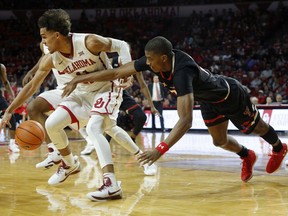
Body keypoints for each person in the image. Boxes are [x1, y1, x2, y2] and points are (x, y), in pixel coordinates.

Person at [63, 36, 287, 183]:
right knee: (219, 141)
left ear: (163, 58)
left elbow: (185, 121)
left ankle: (279, 147)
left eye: (151, 60)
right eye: (147, 59)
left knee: (257, 127)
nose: (147, 64)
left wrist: (159, 150)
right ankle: (247, 155)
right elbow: (117, 72)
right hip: (209, 102)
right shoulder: (157, 61)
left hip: (231, 96)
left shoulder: (182, 71)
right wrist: (80, 80)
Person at [0, 9, 156, 202]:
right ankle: (69, 163)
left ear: (56, 35)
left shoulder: (89, 42)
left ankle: (111, 183)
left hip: (106, 88)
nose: (43, 42)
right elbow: (32, 87)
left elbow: (121, 44)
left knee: (95, 128)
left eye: (44, 37)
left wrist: (126, 70)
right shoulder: (51, 57)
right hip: (80, 93)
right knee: (52, 124)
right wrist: (9, 110)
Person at [22, 42, 94, 168]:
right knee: (33, 108)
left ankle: (89, 145)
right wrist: (32, 71)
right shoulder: (43, 44)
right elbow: (44, 58)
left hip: (79, 89)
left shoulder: (71, 41)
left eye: (45, 33)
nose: (43, 37)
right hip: (61, 89)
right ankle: (55, 151)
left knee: (99, 125)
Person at [81, 55, 159, 155]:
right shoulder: (109, 62)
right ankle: (100, 146)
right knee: (110, 122)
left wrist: (151, 105)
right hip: (106, 92)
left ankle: (132, 139)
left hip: (122, 94)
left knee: (141, 116)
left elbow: (143, 85)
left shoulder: (135, 65)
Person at [0, 63, 19, 153]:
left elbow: (5, 82)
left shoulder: (1, 67)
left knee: (11, 115)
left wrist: (12, 95)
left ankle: (12, 144)